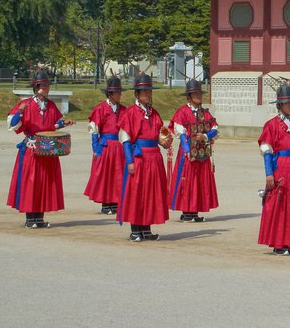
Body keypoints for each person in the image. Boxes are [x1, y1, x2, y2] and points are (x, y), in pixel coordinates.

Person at [6, 69, 75, 228]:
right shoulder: (27, 104)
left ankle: (39, 218)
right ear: (37, 88)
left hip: (47, 150)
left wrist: (65, 123)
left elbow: (53, 125)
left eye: (48, 86)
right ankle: (30, 218)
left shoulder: (50, 105)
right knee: (31, 183)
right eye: (44, 86)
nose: (47, 88)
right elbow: (12, 124)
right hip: (32, 150)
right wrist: (21, 113)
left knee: (44, 182)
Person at [257, 80, 290, 255]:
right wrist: (269, 174)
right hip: (280, 167)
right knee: (280, 206)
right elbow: (267, 151)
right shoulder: (271, 125)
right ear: (280, 104)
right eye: (287, 103)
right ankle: (279, 243)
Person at [117, 73, 171, 242]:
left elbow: (158, 135)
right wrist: (130, 161)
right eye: (144, 91)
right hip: (139, 158)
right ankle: (135, 229)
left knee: (151, 193)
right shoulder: (131, 113)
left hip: (154, 158)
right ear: (137, 94)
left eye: (149, 91)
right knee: (137, 193)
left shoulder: (154, 113)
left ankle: (146, 228)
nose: (148, 94)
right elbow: (125, 139)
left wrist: (165, 142)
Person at [168, 79, 219, 222]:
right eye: (195, 94)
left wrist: (205, 135)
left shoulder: (205, 113)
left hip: (202, 153)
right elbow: (180, 132)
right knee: (188, 181)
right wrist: (186, 150)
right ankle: (186, 211)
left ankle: (195, 211)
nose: (198, 96)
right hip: (188, 152)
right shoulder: (182, 112)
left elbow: (215, 129)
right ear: (189, 96)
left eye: (199, 93)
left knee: (199, 182)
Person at [84, 76, 127, 215]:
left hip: (119, 145)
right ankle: (106, 203)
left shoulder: (124, 110)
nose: (119, 95)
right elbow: (94, 130)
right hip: (106, 145)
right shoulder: (100, 109)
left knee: (118, 174)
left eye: (120, 92)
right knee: (105, 174)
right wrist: (96, 148)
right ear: (110, 94)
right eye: (117, 92)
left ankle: (116, 201)